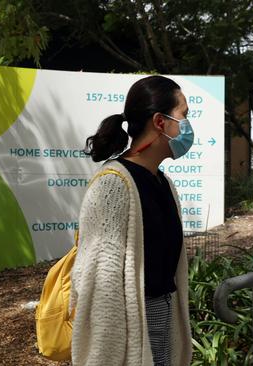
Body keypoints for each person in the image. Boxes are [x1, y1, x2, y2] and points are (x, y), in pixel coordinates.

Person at [70, 75, 193, 365]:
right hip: (129, 334)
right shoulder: (112, 186)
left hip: (161, 321)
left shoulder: (162, 182)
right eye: (184, 115)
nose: (188, 125)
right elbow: (101, 288)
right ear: (160, 122)